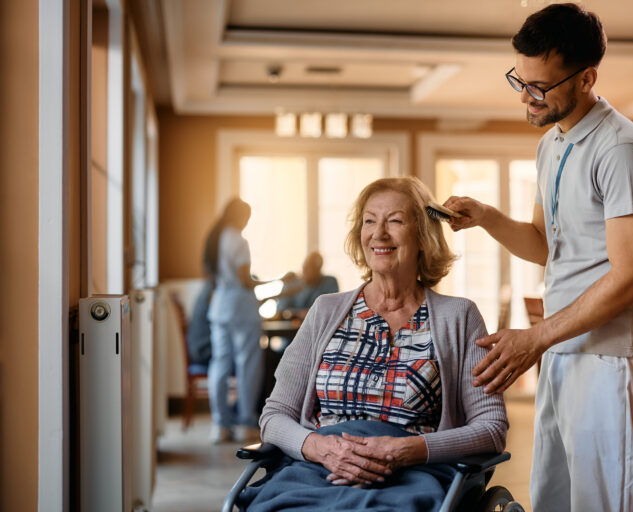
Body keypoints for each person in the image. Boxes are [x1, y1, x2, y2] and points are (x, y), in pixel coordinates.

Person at [444, 3, 633, 510]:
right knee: (553, 499)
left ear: (587, 78)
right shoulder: (551, 145)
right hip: (563, 348)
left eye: (540, 86)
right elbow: (546, 247)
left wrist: (535, 338)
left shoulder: (622, 150)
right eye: (520, 81)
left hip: (612, 359)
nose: (527, 96)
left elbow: (632, 276)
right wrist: (486, 216)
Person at [241, 177, 508, 512]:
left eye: (395, 221)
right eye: (370, 221)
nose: (379, 233)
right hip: (319, 471)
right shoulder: (325, 310)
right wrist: (320, 449)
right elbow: (275, 415)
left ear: (423, 236)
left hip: (411, 477)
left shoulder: (460, 316)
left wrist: (407, 450)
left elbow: (491, 429)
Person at [204, 198, 265, 444]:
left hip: (220, 306)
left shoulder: (214, 239)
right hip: (241, 307)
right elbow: (245, 281)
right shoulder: (239, 241)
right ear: (240, 217)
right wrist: (272, 281)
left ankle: (220, 424)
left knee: (219, 364)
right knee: (247, 365)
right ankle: (246, 422)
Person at [277, 251, 339, 320]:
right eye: (306, 267)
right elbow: (281, 310)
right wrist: (299, 313)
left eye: (313, 268)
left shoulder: (329, 282)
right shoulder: (291, 282)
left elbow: (330, 309)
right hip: (289, 327)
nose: (308, 271)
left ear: (319, 270)